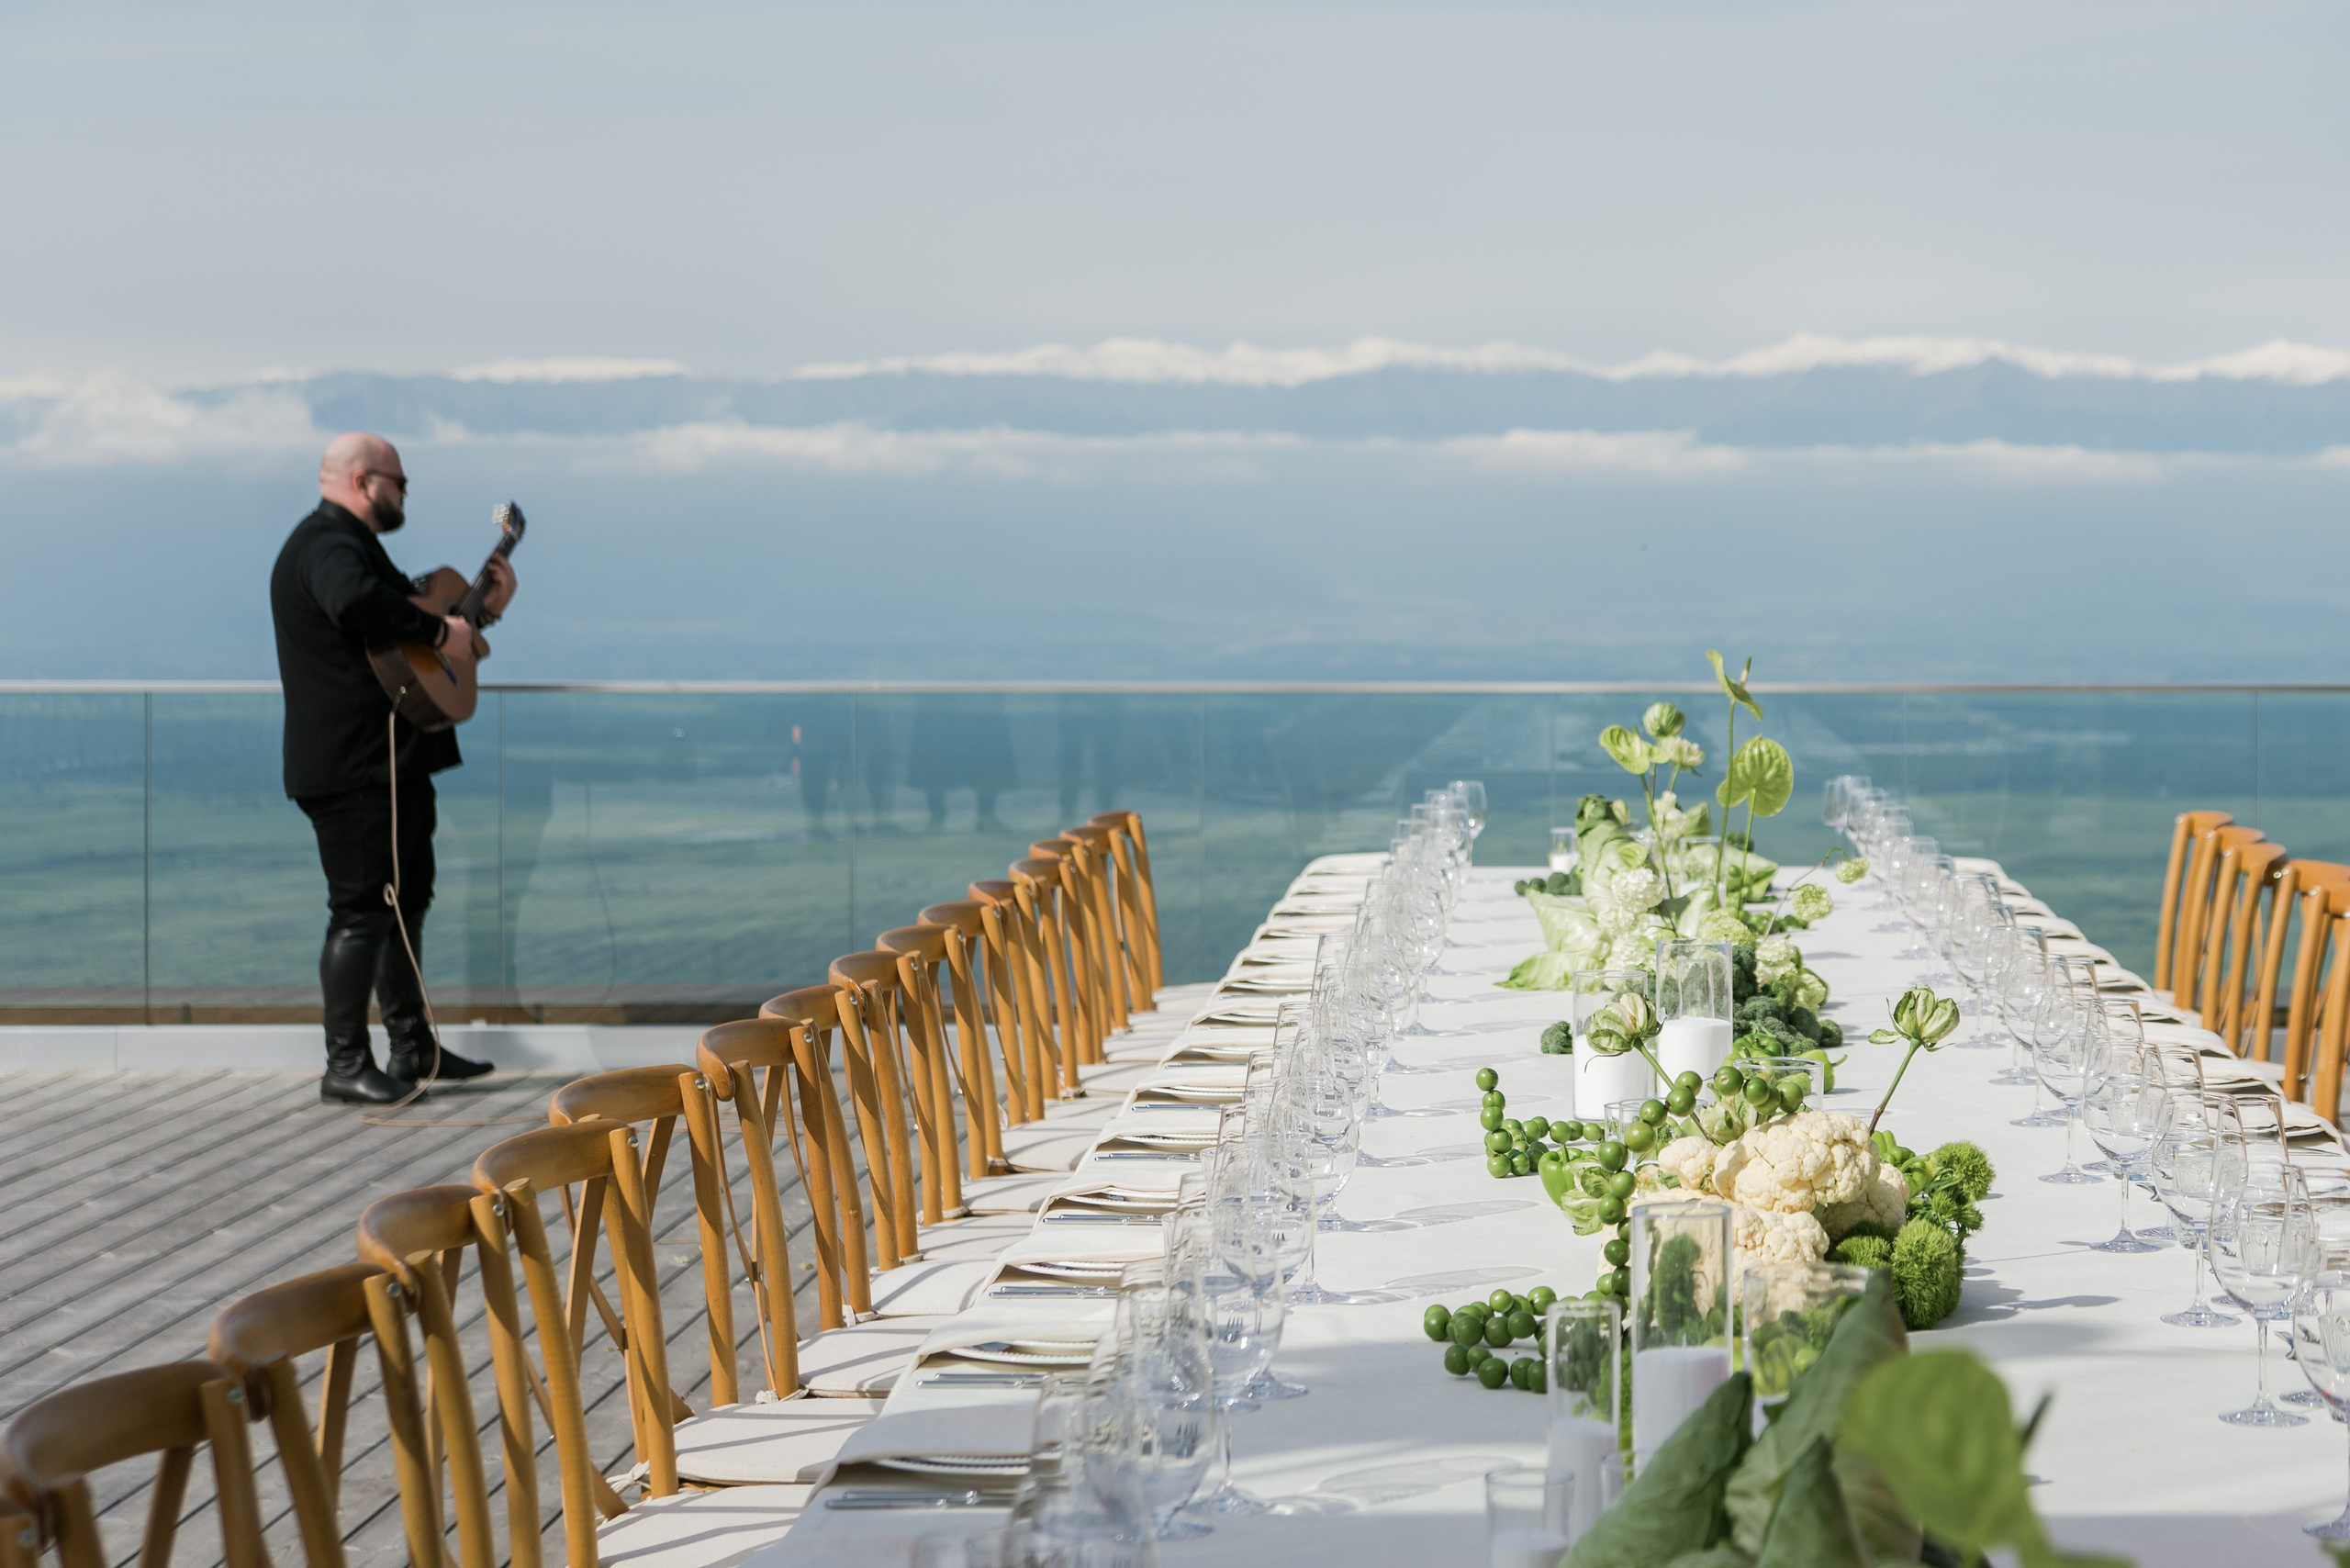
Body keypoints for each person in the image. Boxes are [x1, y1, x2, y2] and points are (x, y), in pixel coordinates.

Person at [269, 432, 517, 1104]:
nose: (404, 494)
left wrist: (480, 609)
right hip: (352, 770)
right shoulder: (326, 546)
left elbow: (396, 635)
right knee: (360, 910)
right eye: (399, 483)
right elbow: (357, 604)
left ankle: (412, 1047)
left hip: (389, 765)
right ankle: (345, 1064)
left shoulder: (353, 547)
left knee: (402, 906)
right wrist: (441, 633)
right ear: (361, 480)